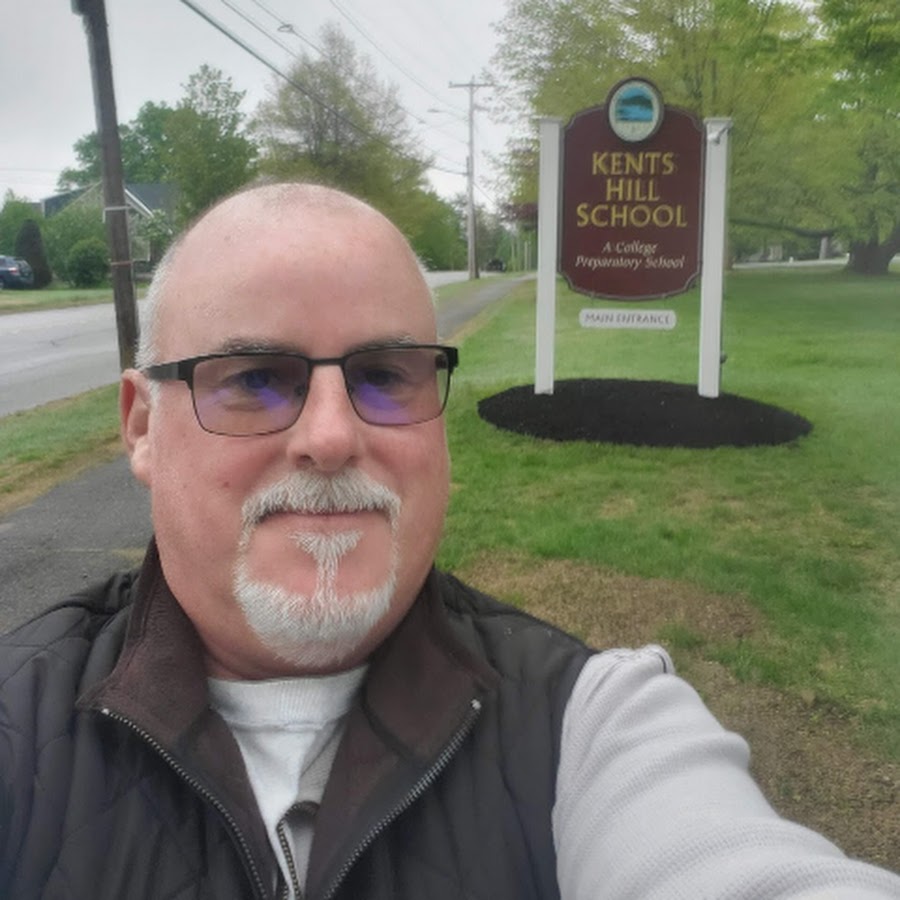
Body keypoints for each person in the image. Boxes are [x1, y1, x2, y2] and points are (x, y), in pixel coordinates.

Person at [1, 182, 898, 900]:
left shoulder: (592, 727)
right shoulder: (16, 724)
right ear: (142, 426)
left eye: (384, 375)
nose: (331, 436)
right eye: (256, 379)